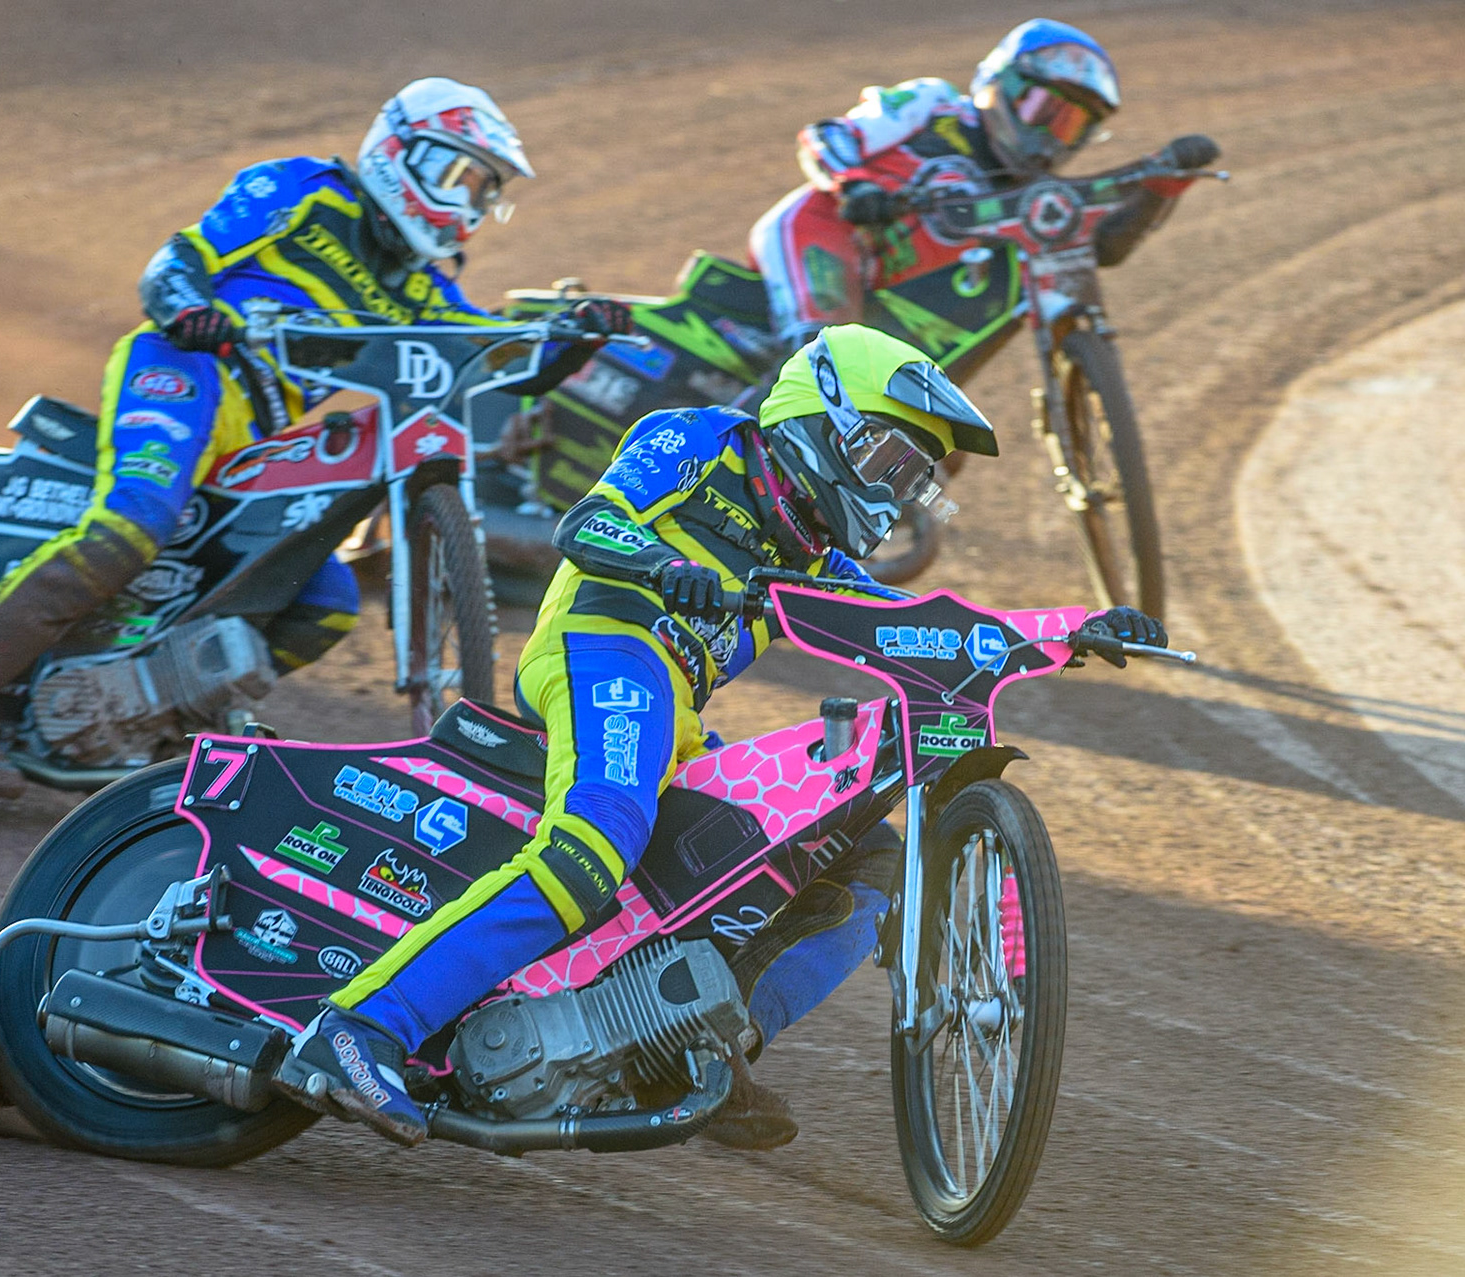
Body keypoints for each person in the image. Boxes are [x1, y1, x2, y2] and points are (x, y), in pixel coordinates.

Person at [278, 322, 1170, 1148]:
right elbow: (586, 524)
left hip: (675, 710)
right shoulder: (704, 439)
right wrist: (669, 568)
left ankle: (705, 1043)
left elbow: (927, 622)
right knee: (594, 844)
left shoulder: (818, 559)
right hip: (605, 644)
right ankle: (359, 1028)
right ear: (828, 418)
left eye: (914, 480)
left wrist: (1069, 629)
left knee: (862, 863)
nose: (898, 493)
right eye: (892, 461)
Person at [0, 77, 630, 797]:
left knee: (326, 596)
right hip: (184, 371)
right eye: (460, 175)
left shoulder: (421, 286)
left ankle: (145, 715)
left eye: (483, 187)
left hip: (258, 436)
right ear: (402, 153)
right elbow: (178, 261)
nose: (468, 200)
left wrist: (577, 337)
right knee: (135, 520)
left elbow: (494, 355)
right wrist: (189, 310)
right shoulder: (301, 191)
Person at [748, 19, 1217, 349]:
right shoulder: (933, 104)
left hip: (886, 305)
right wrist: (855, 188)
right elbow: (829, 136)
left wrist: (1158, 190)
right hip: (822, 232)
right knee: (821, 356)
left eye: (1070, 126)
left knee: (937, 449)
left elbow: (1102, 248)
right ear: (1000, 82)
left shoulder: (1033, 203)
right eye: (1043, 110)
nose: (1049, 137)